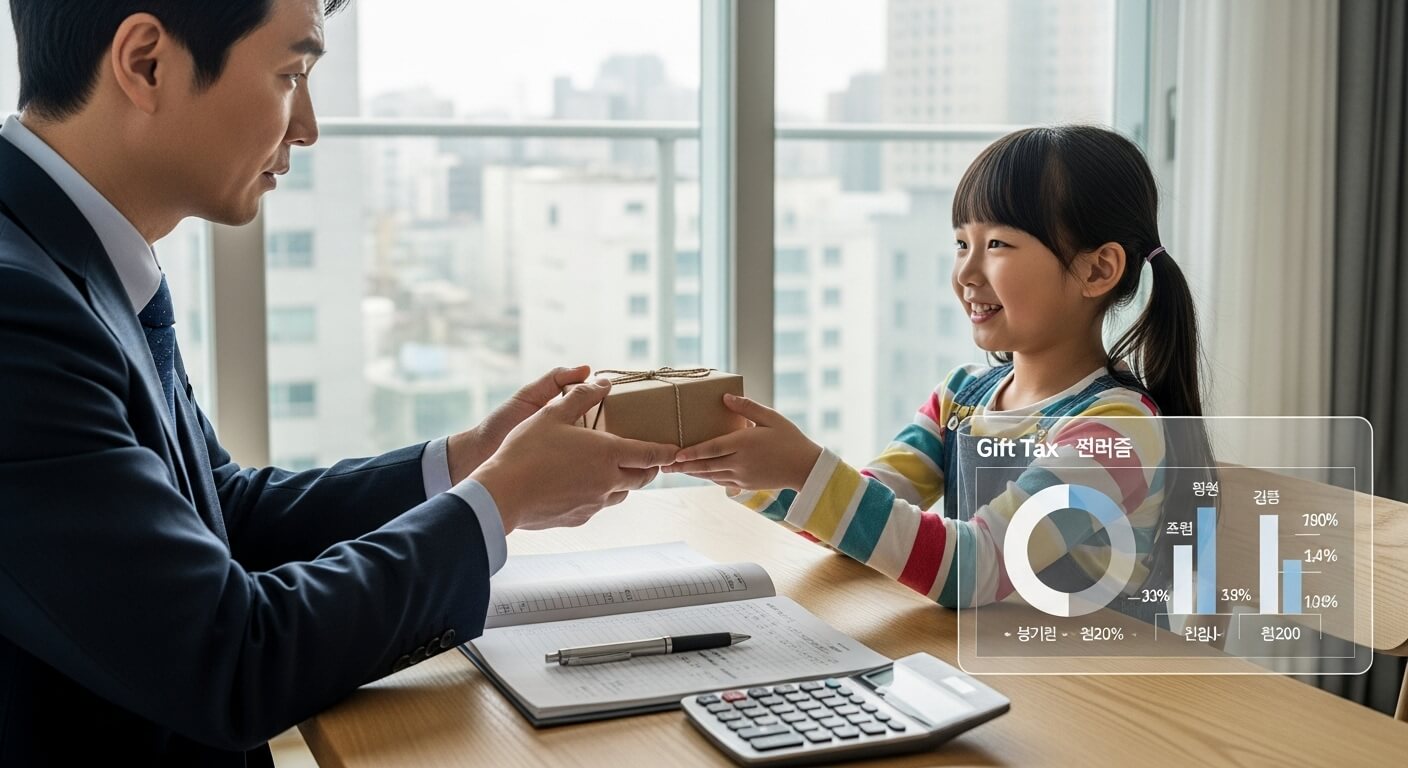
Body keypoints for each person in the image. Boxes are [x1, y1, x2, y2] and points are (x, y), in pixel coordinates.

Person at [0, 1, 677, 764]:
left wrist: (471, 460)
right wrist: (501, 499)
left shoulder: (68, 255)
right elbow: (229, 659)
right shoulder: (18, 313)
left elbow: (221, 514)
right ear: (147, 62)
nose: (308, 126)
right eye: (291, 74)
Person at [668, 125, 1211, 613]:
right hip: (994, 679)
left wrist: (806, 469)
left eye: (997, 244)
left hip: (1093, 697)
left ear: (1098, 269)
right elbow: (856, 525)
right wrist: (759, 470)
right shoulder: (960, 397)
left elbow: (971, 569)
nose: (966, 273)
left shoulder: (1118, 429)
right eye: (961, 243)